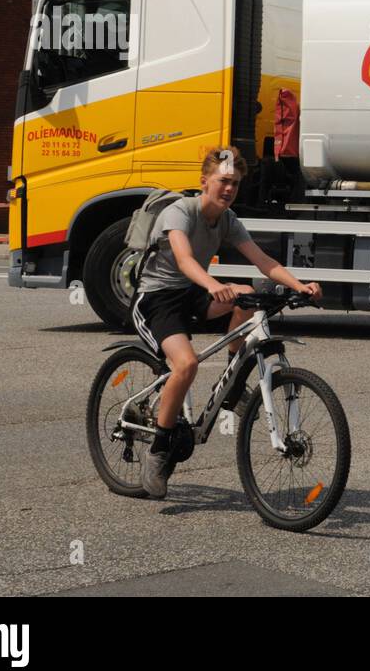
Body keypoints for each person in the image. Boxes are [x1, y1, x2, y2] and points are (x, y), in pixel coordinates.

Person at [130, 146, 322, 499]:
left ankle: (232, 383)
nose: (229, 189)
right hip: (157, 298)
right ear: (204, 182)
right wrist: (214, 285)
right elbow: (185, 259)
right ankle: (157, 453)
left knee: (247, 293)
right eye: (223, 181)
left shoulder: (228, 220)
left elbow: (263, 260)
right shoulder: (180, 212)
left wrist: (299, 286)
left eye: (234, 183)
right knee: (185, 365)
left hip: (193, 291)